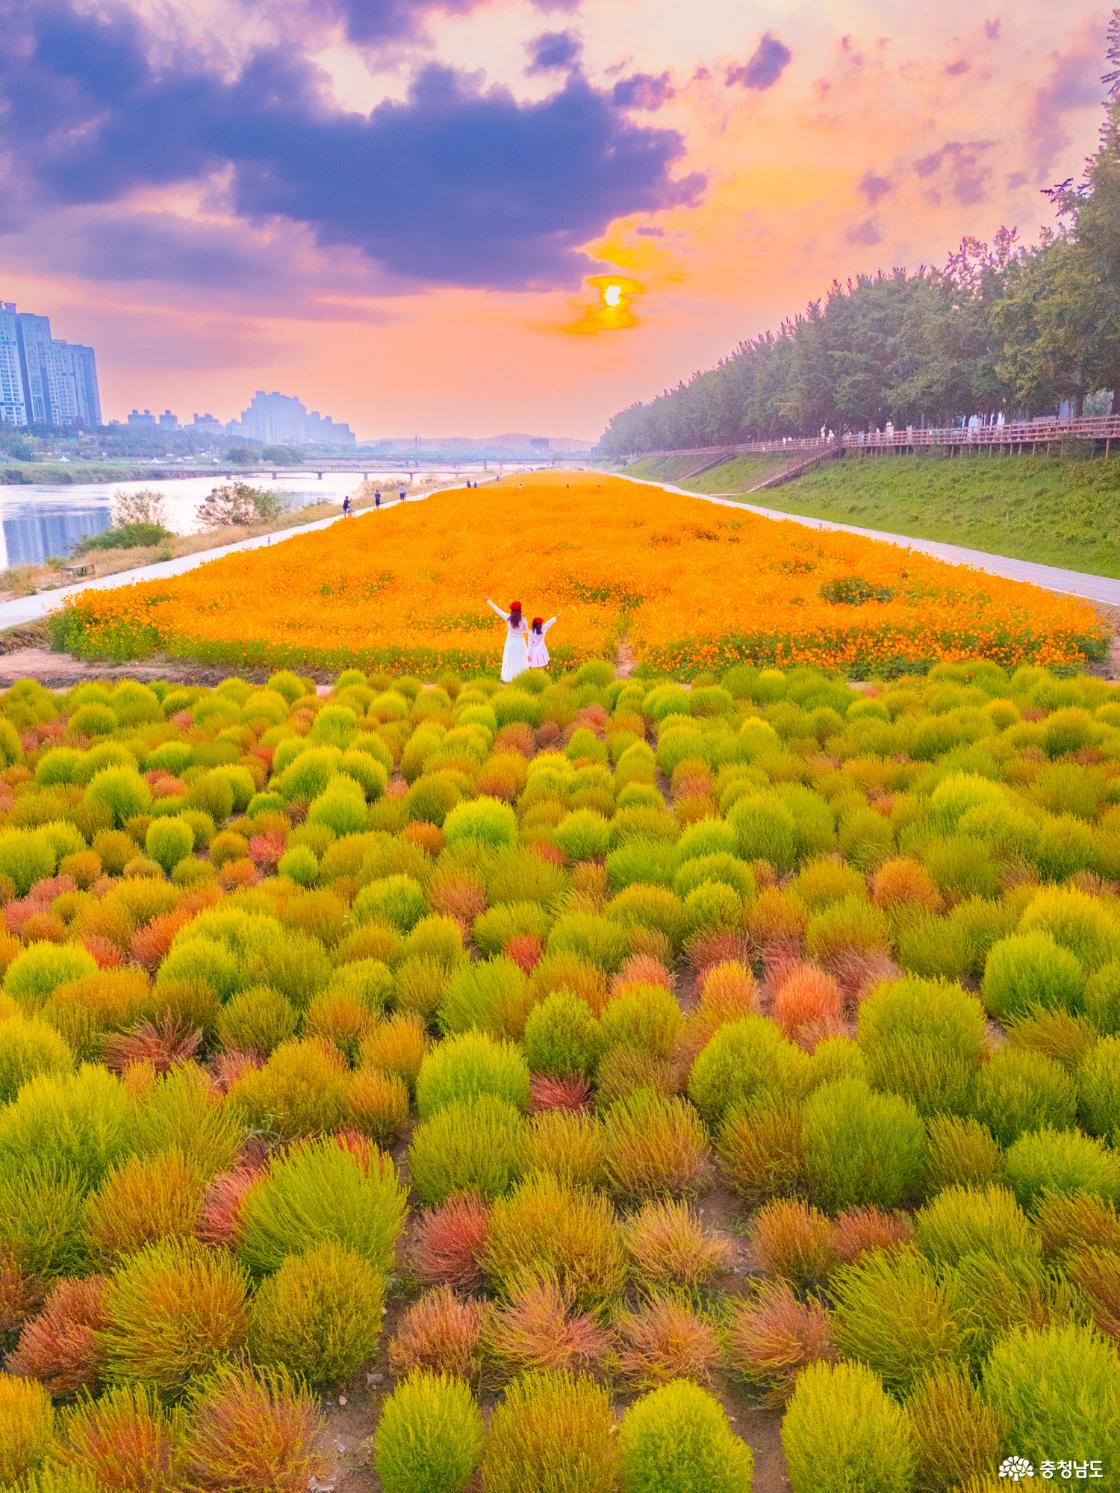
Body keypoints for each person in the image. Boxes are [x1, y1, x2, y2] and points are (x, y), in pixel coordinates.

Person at [485, 598, 529, 682]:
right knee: (520, 660)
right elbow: (526, 630)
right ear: (520, 610)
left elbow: (497, 610)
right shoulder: (523, 620)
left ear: (512, 610)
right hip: (520, 643)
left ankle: (510, 678)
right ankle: (521, 678)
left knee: (510, 660)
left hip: (510, 643)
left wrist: (489, 601)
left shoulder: (508, 618)